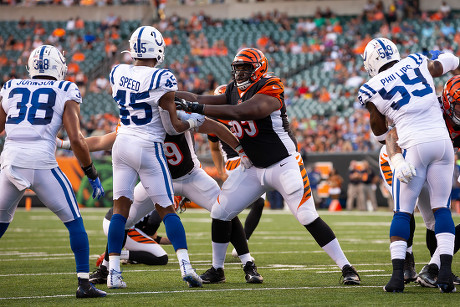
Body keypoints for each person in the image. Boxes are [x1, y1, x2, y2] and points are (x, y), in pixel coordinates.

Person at [175, 47, 360, 285]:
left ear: (259, 68)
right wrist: (167, 93)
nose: (240, 73)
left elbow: (243, 111)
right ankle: (217, 269)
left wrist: (196, 108)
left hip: (283, 164)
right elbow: (199, 98)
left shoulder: (271, 85)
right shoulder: (232, 90)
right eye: (237, 68)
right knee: (220, 212)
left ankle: (347, 267)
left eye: (246, 68)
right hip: (252, 167)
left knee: (306, 215)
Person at [60, 113, 258, 284]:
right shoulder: (139, 119)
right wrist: (70, 144)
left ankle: (246, 264)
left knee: (225, 210)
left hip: (191, 176)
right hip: (156, 178)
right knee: (124, 219)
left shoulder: (178, 113)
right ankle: (106, 269)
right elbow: (106, 140)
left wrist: (240, 149)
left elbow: (214, 126)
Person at [0, 45, 106, 298]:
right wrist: (91, 172)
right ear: (59, 66)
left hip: (11, 161)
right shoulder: (65, 89)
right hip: (42, 162)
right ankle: (83, 284)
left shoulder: (11, 86)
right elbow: (77, 139)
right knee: (74, 222)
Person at [358, 38, 460, 292]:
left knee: (403, 212)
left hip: (411, 145)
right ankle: (443, 274)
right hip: (442, 144)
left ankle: (397, 277)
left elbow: (382, 134)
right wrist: (450, 58)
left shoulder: (370, 87)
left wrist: (396, 156)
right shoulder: (416, 61)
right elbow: (445, 63)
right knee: (442, 210)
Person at [106, 26, 205, 289]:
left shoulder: (117, 71)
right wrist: (193, 123)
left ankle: (113, 272)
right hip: (148, 145)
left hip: (122, 142)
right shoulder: (162, 77)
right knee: (167, 210)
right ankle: (186, 266)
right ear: (158, 49)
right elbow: (172, 127)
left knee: (120, 212)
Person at [208, 84, 266, 258]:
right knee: (229, 209)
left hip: (254, 161)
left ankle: (243, 241)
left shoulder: (243, 114)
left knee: (259, 203)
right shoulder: (215, 121)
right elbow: (214, 149)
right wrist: (221, 171)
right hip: (234, 163)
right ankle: (234, 249)